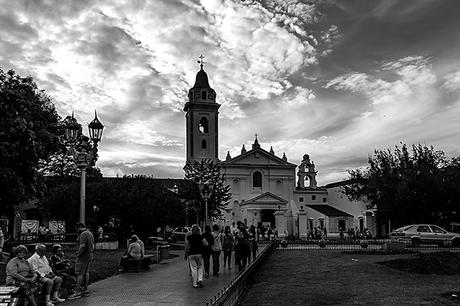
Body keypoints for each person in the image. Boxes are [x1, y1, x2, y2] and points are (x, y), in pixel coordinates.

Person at [68, 222, 94, 300]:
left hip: (83, 257)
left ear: (79, 227)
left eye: (77, 229)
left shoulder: (83, 234)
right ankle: (85, 290)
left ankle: (77, 292)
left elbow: (82, 246)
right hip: (89, 255)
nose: (77, 231)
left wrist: (79, 254)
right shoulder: (90, 233)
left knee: (80, 273)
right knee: (86, 272)